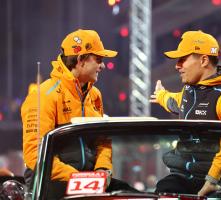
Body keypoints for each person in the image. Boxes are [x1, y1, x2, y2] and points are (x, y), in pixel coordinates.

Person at [21, 29, 136, 199]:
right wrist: (79, 179)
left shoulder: (95, 95)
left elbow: (103, 140)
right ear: (81, 59)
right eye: (98, 59)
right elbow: (34, 155)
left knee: (132, 194)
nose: (103, 66)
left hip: (87, 183)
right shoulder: (44, 95)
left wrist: (103, 170)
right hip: (52, 184)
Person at [150, 30, 221, 196]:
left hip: (216, 184)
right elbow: (174, 102)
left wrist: (212, 179)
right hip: (181, 178)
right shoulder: (189, 91)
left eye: (183, 59)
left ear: (203, 60)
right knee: (164, 189)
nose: (177, 65)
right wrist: (161, 95)